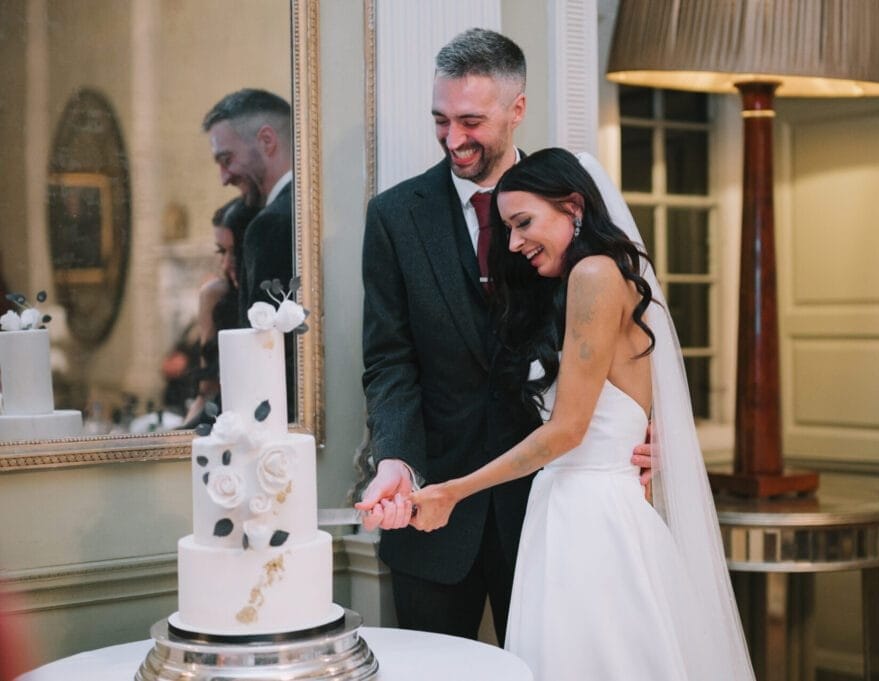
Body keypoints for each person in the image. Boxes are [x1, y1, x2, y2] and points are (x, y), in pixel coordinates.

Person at [409, 148, 755, 680]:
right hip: (567, 509)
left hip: (594, 519)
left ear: (573, 207)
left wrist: (453, 490)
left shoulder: (594, 274)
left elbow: (568, 430)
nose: (515, 242)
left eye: (524, 223)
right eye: (507, 229)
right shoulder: (585, 281)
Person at [356, 28, 651, 643]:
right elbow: (390, 361)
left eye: (471, 120)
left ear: (517, 110)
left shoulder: (572, 207)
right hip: (433, 510)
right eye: (441, 119)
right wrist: (396, 460)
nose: (453, 138)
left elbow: (638, 336)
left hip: (555, 510)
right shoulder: (393, 217)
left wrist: (652, 431)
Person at [202, 88, 295, 419]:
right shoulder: (306, 209)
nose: (224, 178)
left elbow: (259, 361)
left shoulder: (269, 225)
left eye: (227, 160)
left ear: (267, 141)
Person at [181, 198, 256, 428]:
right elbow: (206, 392)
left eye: (235, 252)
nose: (225, 264)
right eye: (221, 251)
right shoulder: (215, 296)